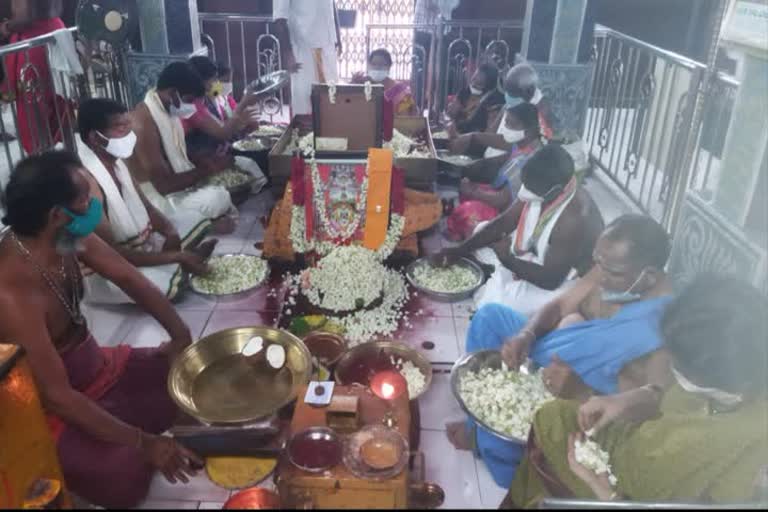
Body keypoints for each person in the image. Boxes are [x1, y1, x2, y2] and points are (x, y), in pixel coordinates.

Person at [0, 151, 203, 508]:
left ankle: (130, 423)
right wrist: (144, 443)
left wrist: (180, 336)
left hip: (98, 366)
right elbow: (57, 397)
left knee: (187, 380)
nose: (95, 202)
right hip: (50, 405)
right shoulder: (11, 293)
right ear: (57, 215)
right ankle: (131, 436)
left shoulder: (66, 236)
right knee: (123, 476)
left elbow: (129, 277)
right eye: (85, 196)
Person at [503, 273, 768, 507]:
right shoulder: (725, 374)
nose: (674, 371)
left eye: (683, 369)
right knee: (553, 417)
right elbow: (674, 400)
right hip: (631, 452)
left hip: (633, 496)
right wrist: (634, 397)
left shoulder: (753, 446)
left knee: (553, 431)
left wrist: (607, 495)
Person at [450, 214, 675, 488]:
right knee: (489, 317)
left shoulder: (663, 332)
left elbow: (639, 416)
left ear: (648, 276)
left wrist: (580, 391)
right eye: (597, 262)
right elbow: (560, 306)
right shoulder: (611, 266)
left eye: (611, 272)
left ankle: (503, 457)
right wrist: (527, 334)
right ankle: (479, 429)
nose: (599, 275)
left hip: (575, 394)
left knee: (528, 428)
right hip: (554, 348)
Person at [77, 98, 217, 305]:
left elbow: (148, 208)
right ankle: (179, 264)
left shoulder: (117, 163)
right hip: (107, 273)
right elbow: (112, 254)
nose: (129, 135)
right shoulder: (87, 181)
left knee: (198, 219)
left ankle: (177, 261)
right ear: (95, 137)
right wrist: (176, 256)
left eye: (129, 127)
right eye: (120, 128)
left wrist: (169, 230)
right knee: (172, 285)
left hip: (138, 247)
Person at [433, 144, 604, 313]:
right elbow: (506, 222)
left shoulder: (574, 219)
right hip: (537, 256)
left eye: (531, 188)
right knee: (482, 230)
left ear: (555, 191)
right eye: (525, 184)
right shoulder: (543, 185)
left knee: (506, 304)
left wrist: (508, 260)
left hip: (564, 282)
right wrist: (459, 251)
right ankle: (500, 274)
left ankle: (501, 276)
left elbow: (551, 280)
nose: (525, 191)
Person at [126, 61, 236, 227]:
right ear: (172, 93)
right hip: (153, 198)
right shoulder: (143, 124)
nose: (192, 106)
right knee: (217, 197)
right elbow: (163, 186)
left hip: (172, 184)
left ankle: (203, 222)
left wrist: (200, 159)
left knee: (220, 191)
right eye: (189, 100)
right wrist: (207, 170)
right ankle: (198, 225)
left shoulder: (165, 109)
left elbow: (174, 150)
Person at [446, 102, 543, 242]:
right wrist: (469, 136)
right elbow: (493, 140)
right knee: (462, 192)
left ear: (529, 131)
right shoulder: (522, 143)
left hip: (509, 214)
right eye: (506, 123)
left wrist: (473, 192)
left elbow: (502, 201)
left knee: (465, 211)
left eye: (512, 125)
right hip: (499, 196)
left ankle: (475, 239)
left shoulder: (532, 160)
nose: (507, 129)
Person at [0, 0, 70, 153]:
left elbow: (26, 17)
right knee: (56, 99)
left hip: (33, 41)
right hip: (52, 33)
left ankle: (43, 159)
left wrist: (6, 27)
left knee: (33, 106)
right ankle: (60, 155)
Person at [451, 62, 558, 159]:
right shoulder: (511, 104)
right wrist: (463, 138)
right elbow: (490, 133)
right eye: (508, 93)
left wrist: (474, 137)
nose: (508, 97)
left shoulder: (540, 112)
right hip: (488, 159)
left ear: (528, 92)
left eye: (513, 95)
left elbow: (519, 148)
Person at [273, 0, 340, 116]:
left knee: (331, 95)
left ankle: (331, 131)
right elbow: (279, 19)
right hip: (304, 47)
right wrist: (288, 54)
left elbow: (332, 5)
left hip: (328, 45)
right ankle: (304, 133)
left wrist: (338, 37)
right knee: (304, 98)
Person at [351, 48, 418, 116]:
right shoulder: (362, 85)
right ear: (369, 66)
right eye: (374, 64)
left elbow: (405, 120)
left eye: (382, 64)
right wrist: (353, 86)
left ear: (389, 67)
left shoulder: (401, 90)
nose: (377, 67)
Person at [445, 63, 505, 135]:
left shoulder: (493, 103)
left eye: (479, 84)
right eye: (473, 79)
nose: (473, 85)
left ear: (489, 88)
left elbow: (489, 133)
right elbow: (451, 113)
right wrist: (452, 109)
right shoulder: (465, 92)